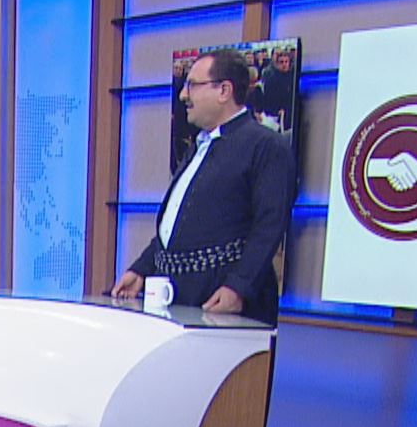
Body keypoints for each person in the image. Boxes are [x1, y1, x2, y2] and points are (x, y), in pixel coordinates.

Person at [111, 48, 295, 324]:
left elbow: (270, 226)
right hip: (180, 300)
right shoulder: (201, 145)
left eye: (192, 85)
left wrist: (239, 286)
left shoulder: (266, 146)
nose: (183, 95)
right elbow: (179, 225)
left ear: (224, 91)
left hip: (222, 305)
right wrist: (141, 269)